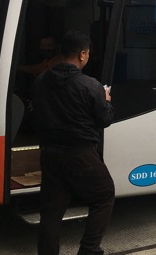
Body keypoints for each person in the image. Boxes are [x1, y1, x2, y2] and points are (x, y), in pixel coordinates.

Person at [31, 30, 115, 254]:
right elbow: (104, 120)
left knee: (51, 212)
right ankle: (89, 249)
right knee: (104, 194)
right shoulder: (90, 85)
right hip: (81, 155)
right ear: (82, 54)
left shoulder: (41, 81)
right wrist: (106, 101)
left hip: (49, 154)